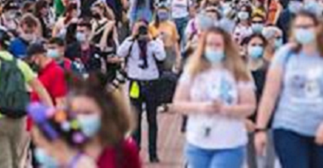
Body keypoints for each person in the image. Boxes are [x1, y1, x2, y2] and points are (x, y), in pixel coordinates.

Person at [253, 8, 323, 168]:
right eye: (298, 27)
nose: (302, 31)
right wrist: (261, 128)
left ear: (318, 28)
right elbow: (270, 95)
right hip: (289, 126)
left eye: (307, 27)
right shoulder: (285, 55)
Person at [170, 27, 257, 168]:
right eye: (210, 45)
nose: (214, 49)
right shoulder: (193, 71)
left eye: (218, 45)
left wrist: (228, 109)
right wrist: (200, 107)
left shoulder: (239, 72)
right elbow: (178, 103)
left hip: (230, 142)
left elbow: (250, 106)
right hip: (198, 140)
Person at [0, 27, 54, 168]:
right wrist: (51, 110)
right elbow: (39, 88)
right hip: (19, 118)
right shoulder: (20, 63)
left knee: (2, 161)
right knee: (16, 161)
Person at [31, 75, 141, 168]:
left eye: (87, 113)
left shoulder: (123, 149)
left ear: (105, 114)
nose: (80, 118)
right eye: (75, 113)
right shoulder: (63, 145)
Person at [116, 18, 166, 163]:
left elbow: (161, 56)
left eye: (143, 28)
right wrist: (132, 37)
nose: (141, 32)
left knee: (152, 119)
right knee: (135, 120)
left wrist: (151, 40)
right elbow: (120, 53)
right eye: (138, 29)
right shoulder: (130, 42)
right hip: (135, 84)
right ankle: (135, 151)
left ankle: (153, 152)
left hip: (151, 83)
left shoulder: (154, 42)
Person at [244, 34, 273, 168]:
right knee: (250, 160)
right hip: (246, 119)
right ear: (246, 47)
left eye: (260, 45)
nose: (257, 48)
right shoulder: (239, 69)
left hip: (267, 120)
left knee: (268, 160)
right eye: (253, 45)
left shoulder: (270, 69)